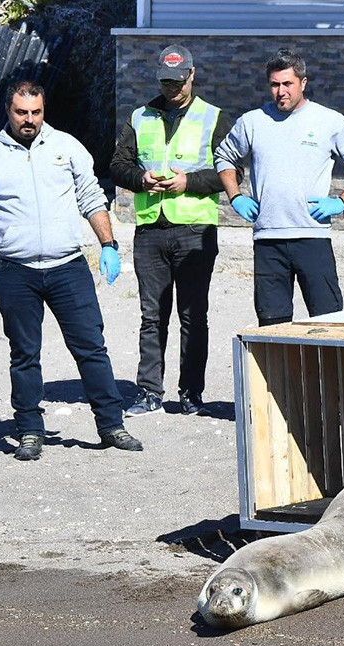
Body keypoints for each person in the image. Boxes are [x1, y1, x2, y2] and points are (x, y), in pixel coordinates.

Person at [0, 81, 143, 460]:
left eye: (36, 112)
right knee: (25, 353)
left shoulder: (66, 147)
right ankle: (29, 430)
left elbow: (91, 196)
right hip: (14, 269)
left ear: (44, 110)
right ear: (8, 110)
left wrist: (108, 245)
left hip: (66, 267)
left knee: (91, 348)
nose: (29, 120)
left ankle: (112, 425)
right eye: (22, 112)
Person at [109, 45, 235, 418]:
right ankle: (149, 392)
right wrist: (141, 178)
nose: (172, 88)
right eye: (166, 81)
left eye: (179, 82)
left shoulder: (213, 118)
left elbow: (231, 175)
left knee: (193, 316)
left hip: (195, 229)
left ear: (192, 75)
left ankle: (191, 393)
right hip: (150, 230)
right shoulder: (140, 117)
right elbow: (118, 165)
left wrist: (189, 182)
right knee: (152, 316)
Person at [215, 48, 344, 326]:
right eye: (275, 84)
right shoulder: (253, 122)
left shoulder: (328, 120)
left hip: (312, 237)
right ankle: (283, 372)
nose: (281, 91)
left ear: (303, 83)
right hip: (268, 240)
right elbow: (224, 156)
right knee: (273, 326)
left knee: (329, 322)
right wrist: (235, 197)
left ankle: (327, 372)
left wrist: (342, 201)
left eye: (288, 84)